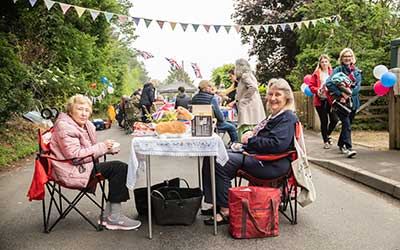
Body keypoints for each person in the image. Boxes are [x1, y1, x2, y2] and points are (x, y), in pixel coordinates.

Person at [201, 78, 298, 225]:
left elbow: (277, 145)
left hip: (271, 164)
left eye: (277, 94)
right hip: (259, 157)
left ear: (287, 97)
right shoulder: (275, 116)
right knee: (212, 155)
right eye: (270, 94)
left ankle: (226, 210)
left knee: (220, 162)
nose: (273, 98)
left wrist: (250, 140)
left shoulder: (288, 117)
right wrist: (249, 139)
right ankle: (216, 202)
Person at [49, 94, 141, 231]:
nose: (84, 113)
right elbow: (75, 156)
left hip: (82, 166)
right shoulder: (65, 127)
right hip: (70, 170)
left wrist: (106, 150)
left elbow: (85, 150)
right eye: (80, 109)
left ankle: (109, 215)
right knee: (119, 168)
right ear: (70, 111)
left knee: (119, 167)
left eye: (87, 110)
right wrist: (103, 147)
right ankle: (114, 217)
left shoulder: (83, 125)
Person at [326, 48, 361, 158]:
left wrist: (348, 94)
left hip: (353, 103)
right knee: (346, 124)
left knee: (348, 124)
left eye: (349, 56)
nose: (347, 58)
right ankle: (348, 147)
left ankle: (341, 144)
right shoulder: (337, 70)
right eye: (345, 56)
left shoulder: (356, 72)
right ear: (341, 58)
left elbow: (357, 87)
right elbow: (328, 84)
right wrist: (341, 95)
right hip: (341, 103)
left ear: (352, 58)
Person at [309, 54, 338, 149]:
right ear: (320, 63)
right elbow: (311, 86)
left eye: (326, 61)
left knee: (334, 120)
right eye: (322, 62)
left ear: (328, 62)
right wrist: (317, 90)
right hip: (320, 101)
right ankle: (325, 141)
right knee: (324, 121)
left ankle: (327, 135)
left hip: (330, 100)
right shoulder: (317, 74)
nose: (324, 63)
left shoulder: (332, 73)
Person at [234, 58, 266, 139]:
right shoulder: (249, 75)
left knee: (246, 128)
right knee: (253, 129)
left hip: (248, 107)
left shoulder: (245, 76)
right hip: (251, 107)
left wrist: (244, 100)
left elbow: (253, 87)